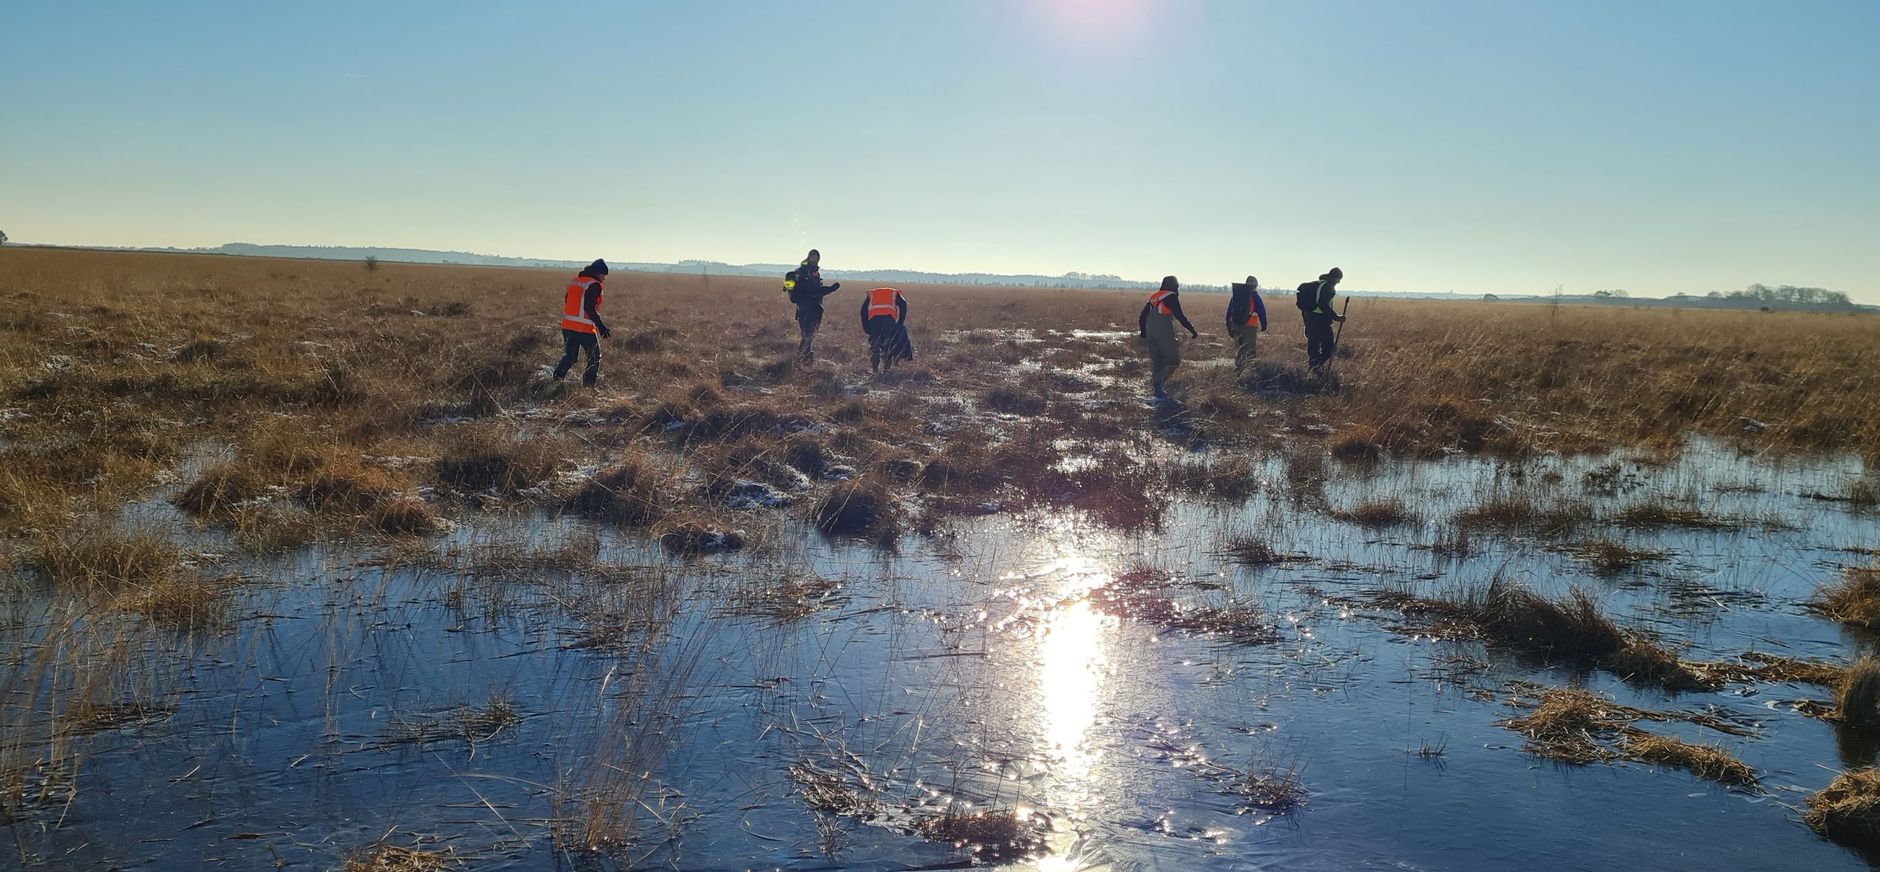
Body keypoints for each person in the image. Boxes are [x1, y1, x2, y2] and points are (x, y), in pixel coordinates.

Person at [1138, 275, 1198, 399]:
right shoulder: (1171, 297)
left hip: (1151, 334)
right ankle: (1158, 386)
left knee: (1158, 362)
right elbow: (1180, 316)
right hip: (1164, 334)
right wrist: (1192, 331)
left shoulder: (1154, 297)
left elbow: (1142, 317)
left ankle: (1156, 391)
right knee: (1173, 361)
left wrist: (1144, 333)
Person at [553, 259, 611, 386]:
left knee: (570, 357)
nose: (604, 278)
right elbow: (589, 308)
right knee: (594, 357)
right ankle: (588, 387)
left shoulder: (575, 282)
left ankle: (555, 380)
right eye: (603, 275)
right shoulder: (594, 285)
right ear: (597, 273)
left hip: (567, 326)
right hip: (584, 329)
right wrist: (601, 327)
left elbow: (567, 301)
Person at [783, 249, 841, 361]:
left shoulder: (815, 273)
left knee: (811, 333)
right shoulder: (803, 271)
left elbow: (816, 291)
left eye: (816, 257)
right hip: (805, 307)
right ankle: (800, 358)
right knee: (807, 333)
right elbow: (811, 290)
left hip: (815, 308)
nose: (814, 259)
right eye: (812, 257)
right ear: (808, 258)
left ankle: (805, 356)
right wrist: (827, 289)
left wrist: (828, 290)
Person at [1296, 267, 1346, 373]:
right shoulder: (1328, 287)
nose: (1339, 282)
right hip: (1321, 322)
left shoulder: (1317, 284)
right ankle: (1316, 368)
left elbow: (1306, 309)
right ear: (1334, 278)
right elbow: (1324, 306)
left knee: (1313, 347)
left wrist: (1307, 324)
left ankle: (1313, 368)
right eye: (1338, 279)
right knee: (1329, 349)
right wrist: (1337, 317)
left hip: (1310, 320)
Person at [1225, 275, 1268, 377]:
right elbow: (1261, 311)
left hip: (1236, 325)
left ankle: (1238, 369)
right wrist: (1264, 325)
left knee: (1240, 349)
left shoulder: (1237, 295)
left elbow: (1229, 312)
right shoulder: (1255, 297)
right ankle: (1247, 372)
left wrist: (1229, 325)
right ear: (1256, 285)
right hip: (1249, 327)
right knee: (1250, 350)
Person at [859, 286, 908, 373]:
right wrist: (900, 322)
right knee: (888, 344)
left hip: (874, 321)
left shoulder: (872, 294)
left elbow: (863, 311)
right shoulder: (894, 293)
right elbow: (903, 304)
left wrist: (866, 326)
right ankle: (886, 369)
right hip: (889, 320)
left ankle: (875, 369)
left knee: (875, 344)